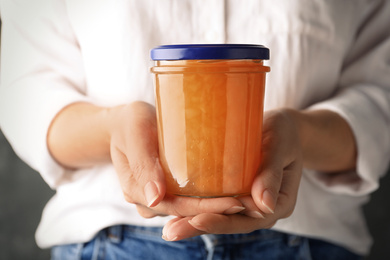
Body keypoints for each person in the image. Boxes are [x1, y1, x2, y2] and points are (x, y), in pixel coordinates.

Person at [1, 0, 389, 259]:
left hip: (306, 242)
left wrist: (298, 134)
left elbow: (380, 101)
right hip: (112, 243)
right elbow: (23, 93)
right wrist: (112, 129)